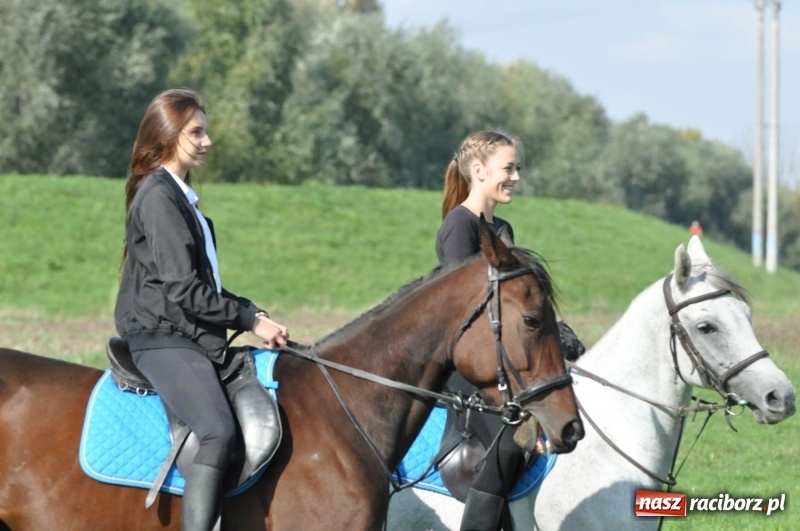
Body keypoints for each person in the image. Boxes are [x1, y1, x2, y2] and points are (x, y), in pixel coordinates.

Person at [114, 88, 289, 531]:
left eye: (205, 131)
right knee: (217, 431)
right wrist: (249, 320)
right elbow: (184, 290)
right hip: (161, 337)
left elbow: (204, 286)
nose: (207, 141)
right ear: (168, 134)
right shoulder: (158, 198)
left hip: (181, 332)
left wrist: (254, 313)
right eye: (197, 132)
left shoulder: (180, 197)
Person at [435, 130, 583, 531]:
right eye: (509, 168)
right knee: (512, 439)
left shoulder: (502, 227)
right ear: (479, 172)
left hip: (499, 357)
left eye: (518, 168)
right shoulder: (458, 227)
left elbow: (515, 301)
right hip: (462, 363)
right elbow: (468, 310)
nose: (516, 176)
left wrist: (558, 331)